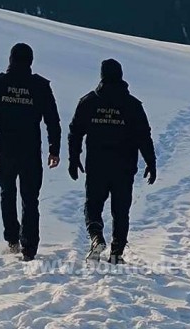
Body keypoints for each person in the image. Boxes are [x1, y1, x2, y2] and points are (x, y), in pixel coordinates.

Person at [67, 58, 157, 264]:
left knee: (93, 205)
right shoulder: (133, 105)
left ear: (102, 76)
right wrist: (151, 162)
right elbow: (144, 135)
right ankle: (116, 254)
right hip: (124, 167)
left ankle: (96, 237)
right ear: (121, 76)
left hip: (97, 165)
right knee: (121, 210)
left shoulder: (88, 102)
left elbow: (75, 132)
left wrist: (74, 158)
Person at [0, 43, 61, 260]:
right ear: (31, 61)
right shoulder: (40, 86)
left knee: (7, 194)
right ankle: (29, 248)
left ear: (10, 59)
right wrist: (54, 149)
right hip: (30, 150)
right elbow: (52, 120)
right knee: (30, 198)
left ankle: (13, 241)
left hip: (4, 149)